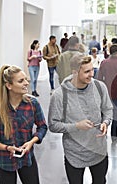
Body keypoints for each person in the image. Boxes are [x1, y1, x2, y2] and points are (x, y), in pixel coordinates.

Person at [48, 54, 113, 184]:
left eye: (92, 69)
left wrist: (106, 122)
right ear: (75, 72)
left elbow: (108, 109)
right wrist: (76, 126)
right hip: (74, 154)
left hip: (98, 151)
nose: (92, 74)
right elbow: (53, 125)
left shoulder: (100, 87)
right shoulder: (60, 95)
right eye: (87, 71)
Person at [0, 65, 47, 184]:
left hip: (27, 159)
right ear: (9, 85)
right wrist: (7, 148)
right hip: (3, 161)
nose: (27, 83)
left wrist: (31, 142)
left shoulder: (32, 103)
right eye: (21, 81)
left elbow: (42, 126)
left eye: (26, 79)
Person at [97, 44, 117, 143]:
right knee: (116, 115)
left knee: (103, 114)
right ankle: (114, 136)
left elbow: (99, 79)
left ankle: (102, 133)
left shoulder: (104, 63)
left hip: (105, 93)